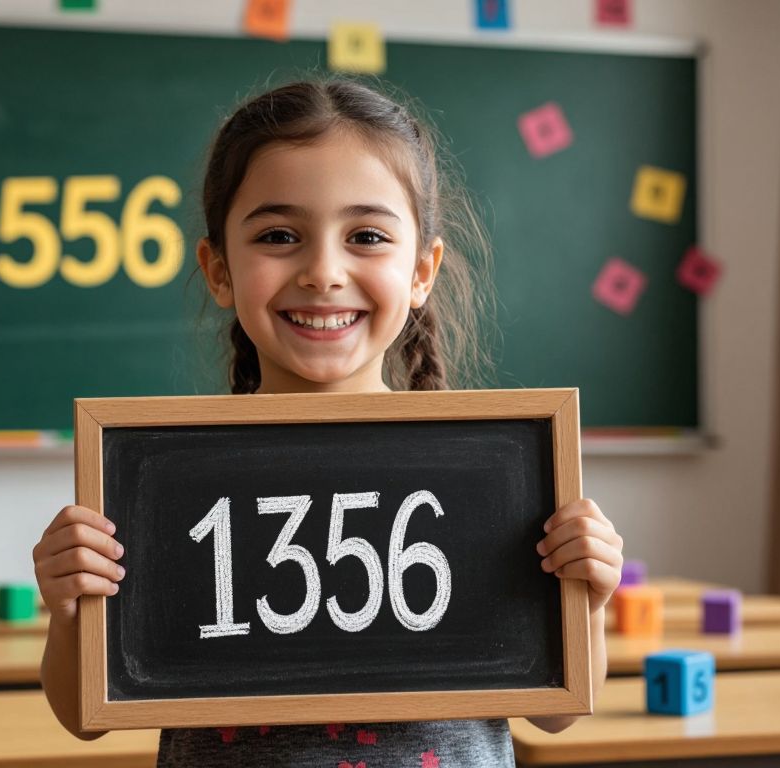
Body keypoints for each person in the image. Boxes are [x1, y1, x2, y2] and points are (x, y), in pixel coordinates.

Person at [33, 76, 624, 766]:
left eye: (367, 236)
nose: (323, 272)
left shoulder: (492, 476)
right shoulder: (162, 483)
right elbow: (84, 717)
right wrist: (69, 607)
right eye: (279, 236)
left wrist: (586, 596)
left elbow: (554, 717)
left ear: (421, 271)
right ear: (219, 270)